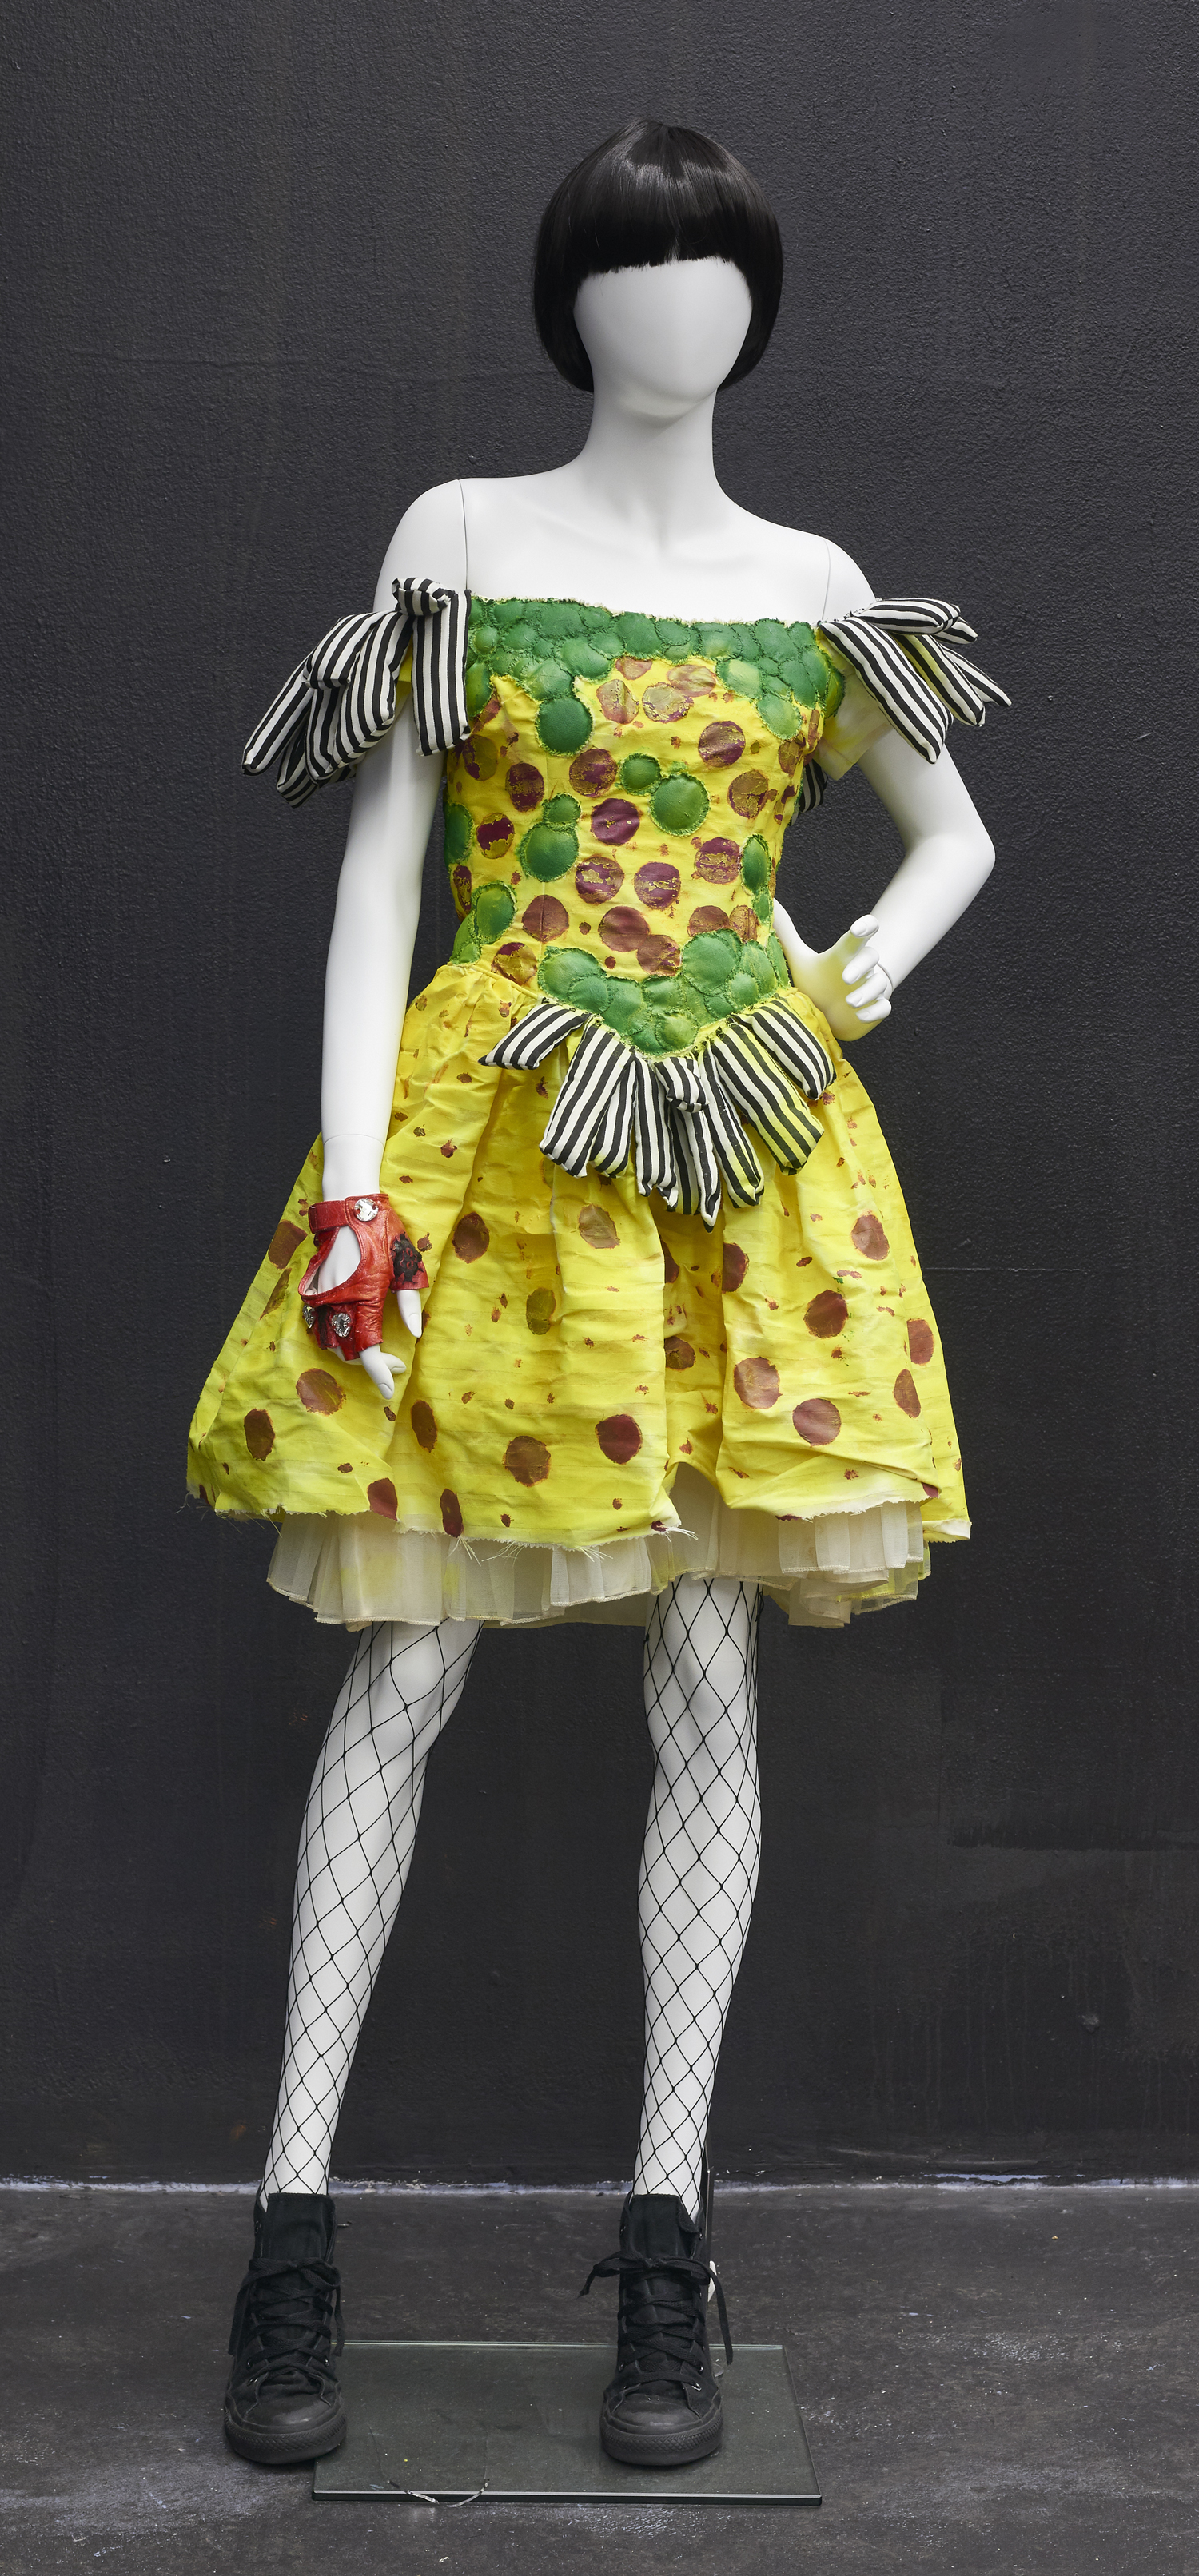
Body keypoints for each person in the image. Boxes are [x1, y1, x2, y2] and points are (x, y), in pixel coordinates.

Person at [190, 118, 1005, 2471]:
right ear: (574, 301)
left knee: (711, 1667)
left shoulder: (809, 581)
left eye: (716, 266)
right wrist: (357, 1190)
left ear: (758, 302)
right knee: (407, 1652)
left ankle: (669, 2242)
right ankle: (289, 2231)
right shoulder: (457, 535)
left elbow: (953, 836)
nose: (681, 307)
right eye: (639, 267)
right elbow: (384, 870)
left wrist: (841, 978)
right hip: (494, 1142)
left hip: (733, 1151)